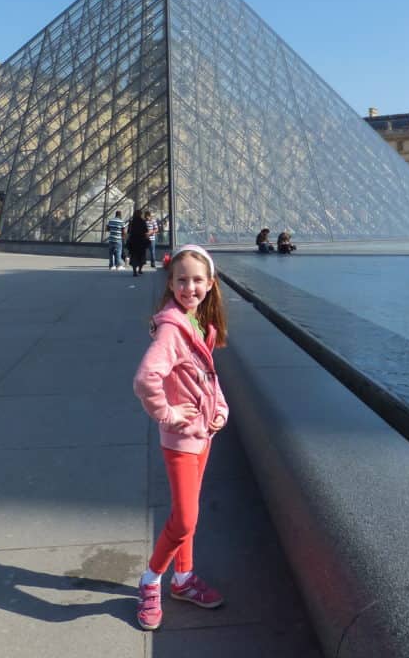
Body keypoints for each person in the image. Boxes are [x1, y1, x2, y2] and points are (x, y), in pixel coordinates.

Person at [132, 245, 229, 631]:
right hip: (182, 438)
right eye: (182, 280)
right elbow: (145, 379)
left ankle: (184, 579)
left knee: (186, 515)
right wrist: (168, 415)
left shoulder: (195, 321)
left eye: (197, 280)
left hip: (201, 432)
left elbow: (208, 378)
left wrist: (219, 408)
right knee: (186, 518)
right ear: (170, 283)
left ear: (210, 284)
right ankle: (151, 579)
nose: (190, 287)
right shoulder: (174, 327)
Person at [126, 208, 150, 276]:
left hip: (133, 241)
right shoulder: (142, 221)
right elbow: (146, 231)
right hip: (141, 241)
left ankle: (134, 271)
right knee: (141, 256)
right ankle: (140, 269)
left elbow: (128, 232)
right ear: (140, 214)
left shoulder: (131, 222)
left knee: (134, 256)